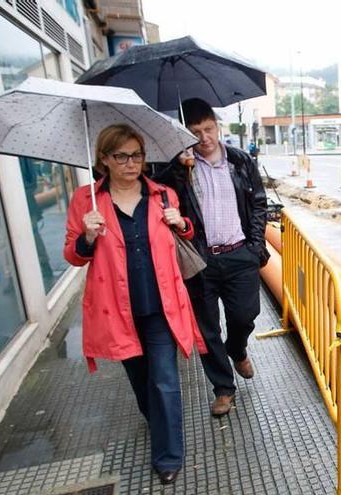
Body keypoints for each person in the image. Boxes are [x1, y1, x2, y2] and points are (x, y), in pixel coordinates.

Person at [63, 124, 205, 485]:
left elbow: (186, 233)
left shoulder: (163, 195)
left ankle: (168, 455)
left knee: (165, 380)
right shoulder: (85, 201)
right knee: (142, 382)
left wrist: (181, 222)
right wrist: (87, 236)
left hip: (161, 306)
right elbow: (73, 255)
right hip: (117, 309)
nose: (131, 163)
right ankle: (158, 420)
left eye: (137, 155)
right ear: (104, 160)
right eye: (121, 156)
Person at [158, 98, 269, 418]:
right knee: (206, 328)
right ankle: (223, 388)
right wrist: (178, 169)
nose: (204, 137)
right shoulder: (179, 166)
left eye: (208, 129)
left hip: (239, 253)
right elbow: (160, 196)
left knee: (245, 315)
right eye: (195, 132)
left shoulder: (240, 160)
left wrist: (254, 245)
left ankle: (237, 348)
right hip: (200, 258)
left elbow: (258, 203)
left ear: (217, 127)